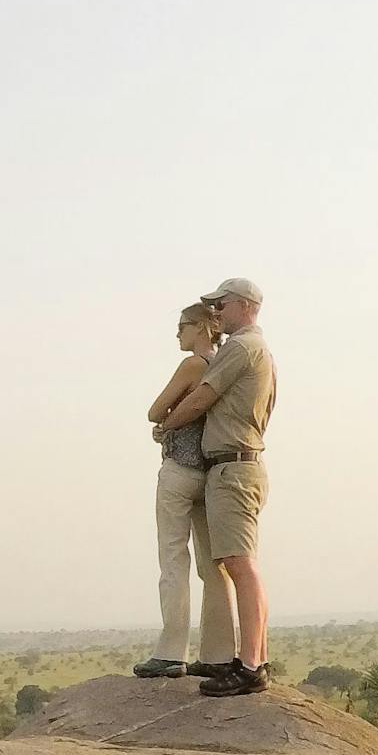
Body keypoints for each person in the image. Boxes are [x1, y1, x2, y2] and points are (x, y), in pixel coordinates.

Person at [152, 277, 276, 697]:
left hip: (233, 466)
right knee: (229, 565)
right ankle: (240, 658)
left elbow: (201, 398)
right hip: (236, 465)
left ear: (244, 305)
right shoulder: (257, 351)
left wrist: (166, 425)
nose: (217, 313)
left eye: (221, 305)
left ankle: (251, 664)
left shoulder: (241, 348)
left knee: (239, 565)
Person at [132, 300, 235, 679]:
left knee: (174, 559)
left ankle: (172, 649)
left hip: (179, 470)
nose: (178, 333)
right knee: (214, 566)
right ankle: (221, 652)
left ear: (201, 327)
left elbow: (155, 410)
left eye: (182, 326)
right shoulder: (226, 364)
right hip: (211, 472)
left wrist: (167, 423)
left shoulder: (195, 364)